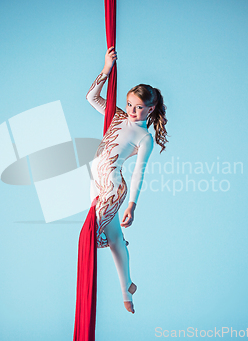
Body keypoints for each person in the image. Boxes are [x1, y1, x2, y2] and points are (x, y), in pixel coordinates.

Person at [86, 47, 168, 313]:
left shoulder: (145, 139)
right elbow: (91, 97)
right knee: (116, 240)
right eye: (130, 104)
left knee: (95, 237)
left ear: (151, 108)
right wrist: (107, 68)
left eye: (139, 107)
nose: (132, 111)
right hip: (95, 180)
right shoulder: (117, 116)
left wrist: (132, 205)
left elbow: (138, 172)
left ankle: (125, 289)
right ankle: (127, 290)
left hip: (112, 185)